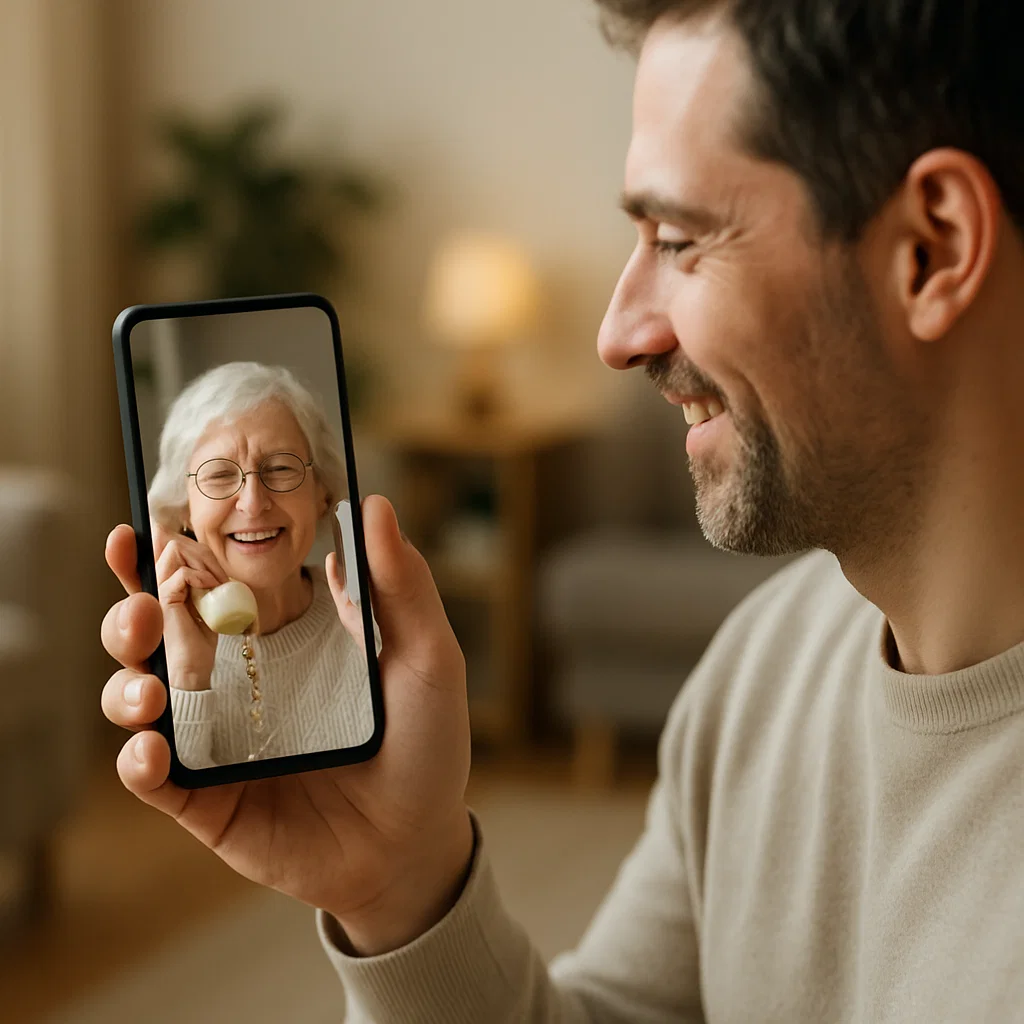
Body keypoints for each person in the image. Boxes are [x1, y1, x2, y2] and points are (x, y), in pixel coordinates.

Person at [100, 2, 1024, 1020]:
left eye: (677, 238)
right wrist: (399, 892)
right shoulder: (762, 666)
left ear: (929, 250)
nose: (618, 332)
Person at [145, 361, 373, 767]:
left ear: (321, 492)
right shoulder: (163, 645)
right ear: (183, 510)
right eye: (218, 476)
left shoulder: (369, 619)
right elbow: (192, 809)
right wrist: (189, 679)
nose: (252, 503)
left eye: (280, 468)